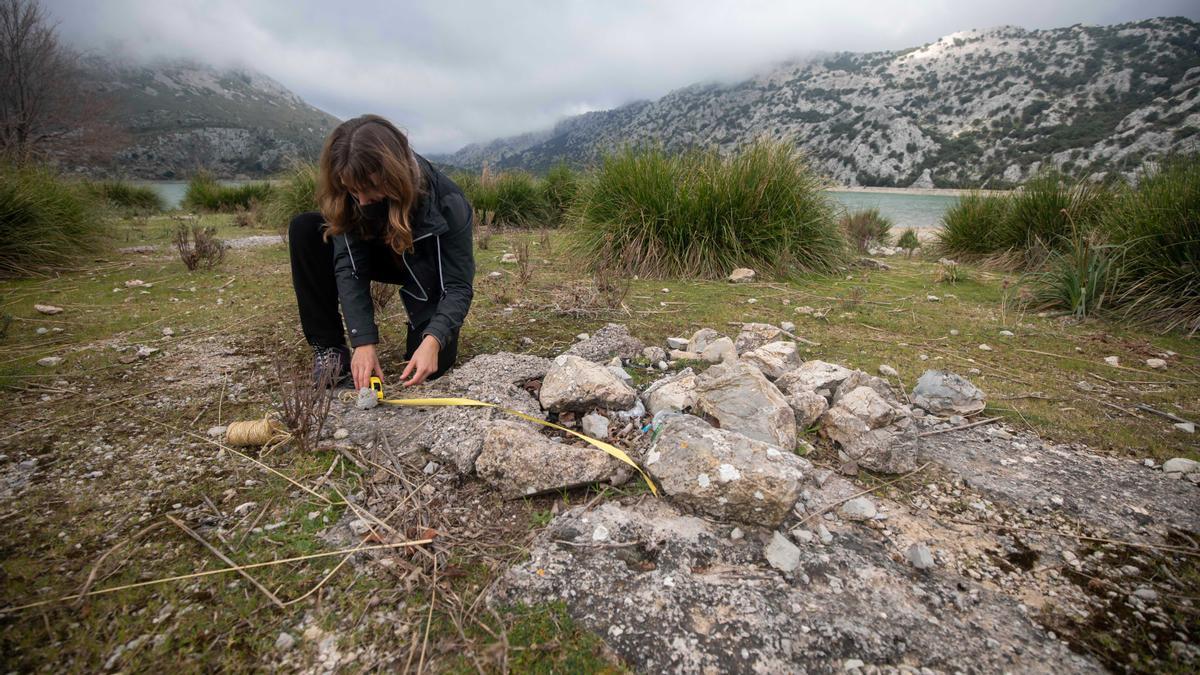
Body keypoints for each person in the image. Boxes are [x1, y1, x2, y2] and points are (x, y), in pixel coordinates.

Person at [287, 114, 475, 389]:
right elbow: (350, 267)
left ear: (395, 174)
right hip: (379, 255)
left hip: (424, 269)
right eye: (353, 190)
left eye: (371, 189)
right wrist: (362, 340)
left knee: (432, 368)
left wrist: (433, 339)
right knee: (306, 228)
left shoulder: (448, 203)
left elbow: (458, 285)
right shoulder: (351, 195)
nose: (362, 201)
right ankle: (330, 350)